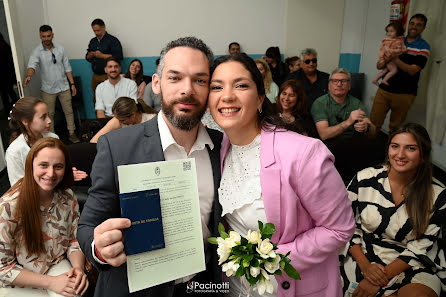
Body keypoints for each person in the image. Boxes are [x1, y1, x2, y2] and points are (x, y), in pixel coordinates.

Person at [78, 36, 223, 297]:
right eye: (175, 78)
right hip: (135, 290)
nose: (187, 90)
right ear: (156, 84)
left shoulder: (222, 147)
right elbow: (87, 226)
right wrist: (99, 249)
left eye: (200, 80)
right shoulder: (117, 147)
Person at [208, 53, 355, 297]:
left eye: (241, 85)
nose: (227, 95)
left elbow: (339, 228)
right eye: (217, 87)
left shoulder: (303, 152)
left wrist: (272, 259)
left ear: (260, 99)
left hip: (291, 287)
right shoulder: (220, 148)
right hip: (236, 288)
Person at [341, 123, 446, 297]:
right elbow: (345, 226)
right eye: (395, 146)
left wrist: (380, 277)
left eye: (410, 148)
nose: (400, 154)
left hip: (413, 262)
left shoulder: (438, 194)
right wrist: (367, 268)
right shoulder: (365, 178)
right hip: (363, 254)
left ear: (423, 155)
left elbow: (420, 247)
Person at [0, 137, 89, 297]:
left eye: (58, 167)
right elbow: (3, 268)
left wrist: (78, 268)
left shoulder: (68, 197)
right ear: (31, 166)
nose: (51, 173)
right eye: (43, 165)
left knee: (74, 292)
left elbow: (73, 240)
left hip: (54, 264)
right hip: (18, 277)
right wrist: (51, 282)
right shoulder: (8, 207)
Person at [370, 14, 430, 136]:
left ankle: (391, 154)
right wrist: (383, 60)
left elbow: (413, 70)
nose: (414, 27)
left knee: (396, 129)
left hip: (405, 94)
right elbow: (379, 66)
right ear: (408, 25)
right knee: (373, 123)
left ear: (424, 28)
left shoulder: (424, 47)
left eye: (419, 25)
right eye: (412, 23)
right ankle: (367, 151)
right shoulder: (397, 39)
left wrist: (395, 59)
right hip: (384, 90)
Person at [6, 97, 87, 186]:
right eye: (43, 117)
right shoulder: (15, 151)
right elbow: (17, 187)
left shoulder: (53, 138)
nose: (49, 121)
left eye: (48, 115)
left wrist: (67, 173)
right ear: (26, 121)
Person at [24, 25, 79, 143]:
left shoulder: (60, 49)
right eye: (44, 36)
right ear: (40, 36)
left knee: (69, 111)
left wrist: (72, 84)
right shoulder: (37, 51)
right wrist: (29, 75)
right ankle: (51, 138)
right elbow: (32, 66)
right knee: (49, 114)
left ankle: (72, 133)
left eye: (49, 36)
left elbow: (67, 67)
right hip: (48, 89)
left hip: (64, 86)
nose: (46, 39)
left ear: (52, 35)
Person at [86, 18, 123, 103]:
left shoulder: (113, 40)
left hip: (109, 75)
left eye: (98, 30)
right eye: (94, 31)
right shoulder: (93, 41)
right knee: (96, 99)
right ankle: (99, 115)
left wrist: (101, 55)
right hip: (95, 75)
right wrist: (90, 55)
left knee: (110, 99)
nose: (96, 33)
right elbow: (87, 57)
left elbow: (118, 57)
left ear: (104, 28)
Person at [90, 96, 156, 143]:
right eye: (117, 119)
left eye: (122, 120)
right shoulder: (117, 120)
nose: (120, 123)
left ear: (133, 115)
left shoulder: (152, 120)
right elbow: (94, 141)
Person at [372, 22, 406, 86]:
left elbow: (403, 47)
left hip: (388, 59)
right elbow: (388, 50)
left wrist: (403, 49)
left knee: (385, 70)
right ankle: (384, 80)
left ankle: (375, 79)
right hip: (388, 58)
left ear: (398, 32)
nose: (389, 33)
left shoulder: (398, 39)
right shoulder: (388, 41)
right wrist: (400, 50)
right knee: (394, 70)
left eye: (391, 31)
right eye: (387, 31)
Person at [0, 32, 18, 113]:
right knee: (10, 92)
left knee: (5, 95)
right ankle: (18, 108)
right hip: (8, 74)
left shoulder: (3, 47)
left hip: (3, 75)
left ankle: (9, 112)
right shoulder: (6, 46)